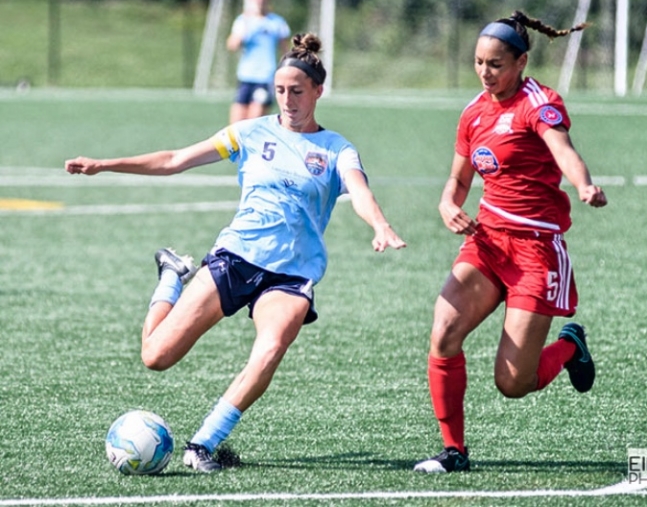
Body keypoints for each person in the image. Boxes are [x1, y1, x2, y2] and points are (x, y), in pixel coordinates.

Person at [65, 33, 406, 473]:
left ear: (318, 91)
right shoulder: (250, 133)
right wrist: (105, 164)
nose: (287, 100)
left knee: (270, 348)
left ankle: (202, 444)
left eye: (297, 91)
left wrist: (379, 224)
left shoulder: (336, 149)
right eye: (280, 90)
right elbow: (175, 160)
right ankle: (171, 275)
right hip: (237, 256)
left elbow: (358, 190)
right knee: (156, 356)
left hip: (291, 275)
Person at [413, 11, 607, 474]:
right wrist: (447, 204)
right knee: (443, 333)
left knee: (513, 382)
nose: (485, 72)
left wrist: (583, 184)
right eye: (479, 62)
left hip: (536, 251)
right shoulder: (473, 112)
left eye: (496, 64)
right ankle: (453, 450)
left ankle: (570, 346)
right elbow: (459, 179)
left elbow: (563, 150)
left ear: (521, 62)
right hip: (488, 243)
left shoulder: (538, 103)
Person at [226, 0, 290, 123]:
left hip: (265, 77)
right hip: (245, 76)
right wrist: (244, 30)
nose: (260, 0)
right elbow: (232, 45)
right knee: (236, 124)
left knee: (254, 121)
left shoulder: (277, 22)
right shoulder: (243, 21)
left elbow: (285, 50)